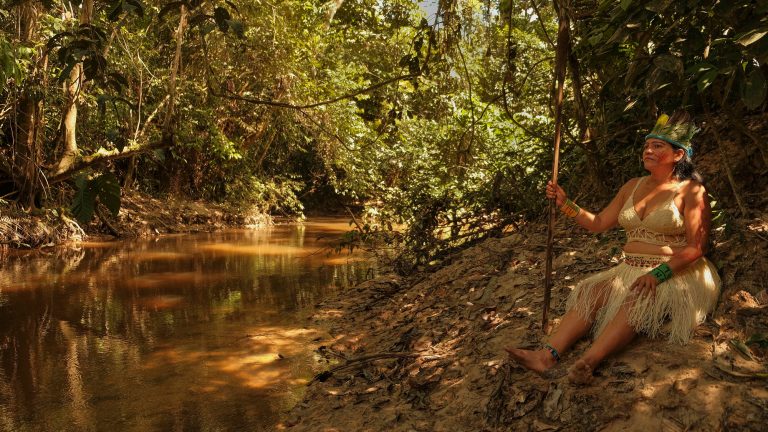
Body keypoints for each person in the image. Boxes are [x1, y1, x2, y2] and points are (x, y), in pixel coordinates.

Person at [505, 111, 722, 384]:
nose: (648, 150)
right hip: (629, 267)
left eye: (658, 146)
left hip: (675, 271)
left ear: (678, 155)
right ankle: (546, 356)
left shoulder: (690, 191)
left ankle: (588, 362)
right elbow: (598, 223)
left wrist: (659, 275)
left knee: (637, 297)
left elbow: (697, 247)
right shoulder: (632, 186)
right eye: (646, 146)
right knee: (591, 290)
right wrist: (565, 203)